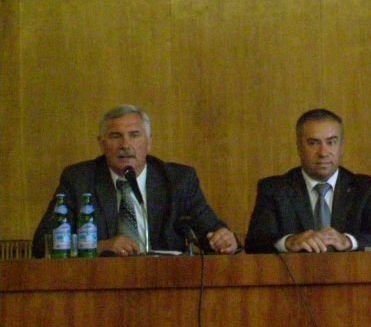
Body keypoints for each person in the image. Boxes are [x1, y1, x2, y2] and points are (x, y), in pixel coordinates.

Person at [32, 105, 239, 257]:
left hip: (166, 284)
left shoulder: (178, 180)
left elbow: (212, 232)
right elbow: (42, 244)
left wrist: (225, 240)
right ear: (101, 144)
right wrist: (100, 246)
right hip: (98, 283)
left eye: (134, 135)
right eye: (116, 136)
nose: (125, 145)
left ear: (149, 143)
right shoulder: (79, 180)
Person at [245, 108, 371, 253]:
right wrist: (289, 242)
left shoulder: (364, 188)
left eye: (331, 142)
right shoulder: (274, 190)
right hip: (296, 270)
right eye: (313, 143)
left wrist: (348, 241)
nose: (323, 153)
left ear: (341, 146)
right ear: (299, 147)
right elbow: (255, 242)